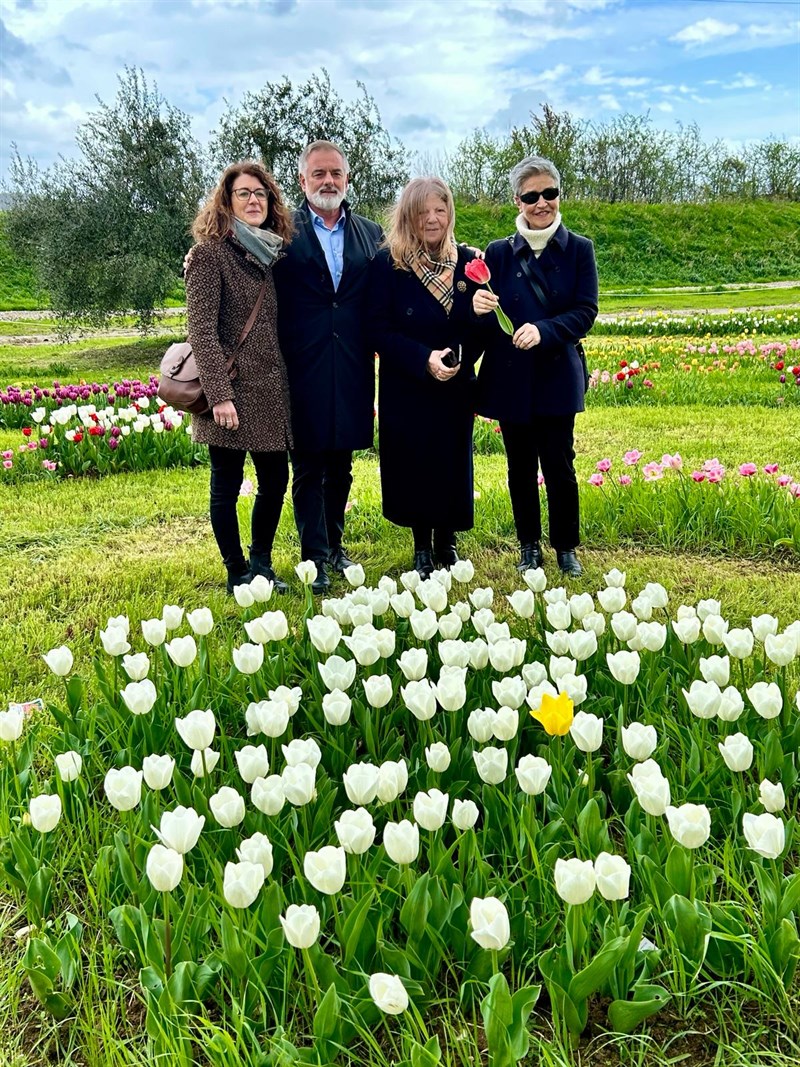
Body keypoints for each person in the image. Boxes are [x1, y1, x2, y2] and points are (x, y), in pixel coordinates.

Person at [473, 155, 598, 578]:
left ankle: (565, 547)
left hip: (556, 373)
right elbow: (489, 320)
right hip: (512, 377)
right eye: (531, 196)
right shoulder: (498, 253)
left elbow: (585, 311)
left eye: (549, 193)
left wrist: (545, 330)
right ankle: (528, 546)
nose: (541, 203)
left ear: (559, 195)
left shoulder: (580, 249)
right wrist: (479, 307)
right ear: (517, 200)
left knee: (560, 465)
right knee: (519, 467)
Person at [273, 140, 383, 594]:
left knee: (342, 464)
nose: (327, 181)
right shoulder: (283, 232)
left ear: (347, 179)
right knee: (309, 465)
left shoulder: (372, 233)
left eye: (335, 173)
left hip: (354, 363)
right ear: (302, 181)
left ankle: (335, 547)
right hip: (303, 363)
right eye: (318, 174)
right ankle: (313, 557)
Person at [185, 161, 294, 594]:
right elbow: (201, 332)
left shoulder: (273, 255)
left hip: (269, 389)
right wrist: (219, 396)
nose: (253, 200)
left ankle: (262, 563)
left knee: (275, 481)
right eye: (243, 193)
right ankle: (236, 571)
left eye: (260, 194)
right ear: (226, 202)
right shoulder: (210, 255)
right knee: (226, 485)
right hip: (228, 391)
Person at [368, 178, 479, 578]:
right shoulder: (388, 264)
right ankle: (420, 547)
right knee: (413, 462)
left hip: (454, 380)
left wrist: (459, 356)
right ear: (409, 217)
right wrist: (423, 358)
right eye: (423, 212)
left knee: (450, 460)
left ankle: (447, 541)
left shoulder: (470, 263)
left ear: (449, 213)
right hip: (408, 381)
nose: (432, 219)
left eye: (440, 210)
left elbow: (479, 324)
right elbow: (377, 328)